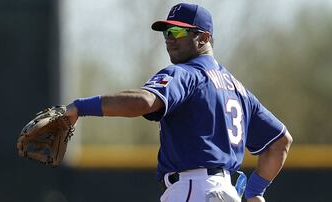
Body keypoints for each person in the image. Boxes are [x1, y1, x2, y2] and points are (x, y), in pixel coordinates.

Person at [65, 3, 292, 202]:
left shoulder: (186, 74)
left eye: (177, 31)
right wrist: (254, 191)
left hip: (193, 189)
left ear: (203, 38)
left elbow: (144, 102)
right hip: (225, 192)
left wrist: (80, 107)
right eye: (166, 33)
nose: (169, 39)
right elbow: (280, 141)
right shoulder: (238, 90)